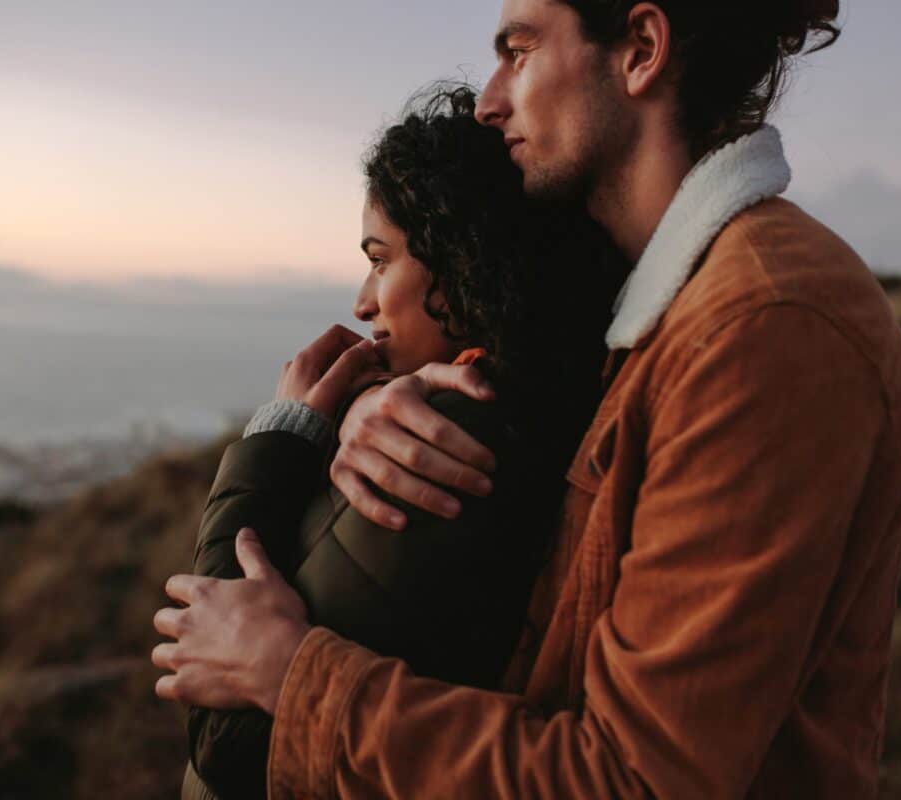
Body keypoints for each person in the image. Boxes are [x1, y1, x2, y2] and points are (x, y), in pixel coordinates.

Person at [154, 1, 901, 797]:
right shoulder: (663, 308)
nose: (490, 102)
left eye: (519, 52)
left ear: (641, 49)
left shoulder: (763, 329)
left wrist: (295, 680)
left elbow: (633, 782)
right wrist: (377, 401)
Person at [172, 86, 627, 799]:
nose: (362, 302)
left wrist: (280, 435)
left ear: (464, 262)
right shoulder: (526, 402)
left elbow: (225, 744)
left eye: (381, 260)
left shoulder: (446, 442)